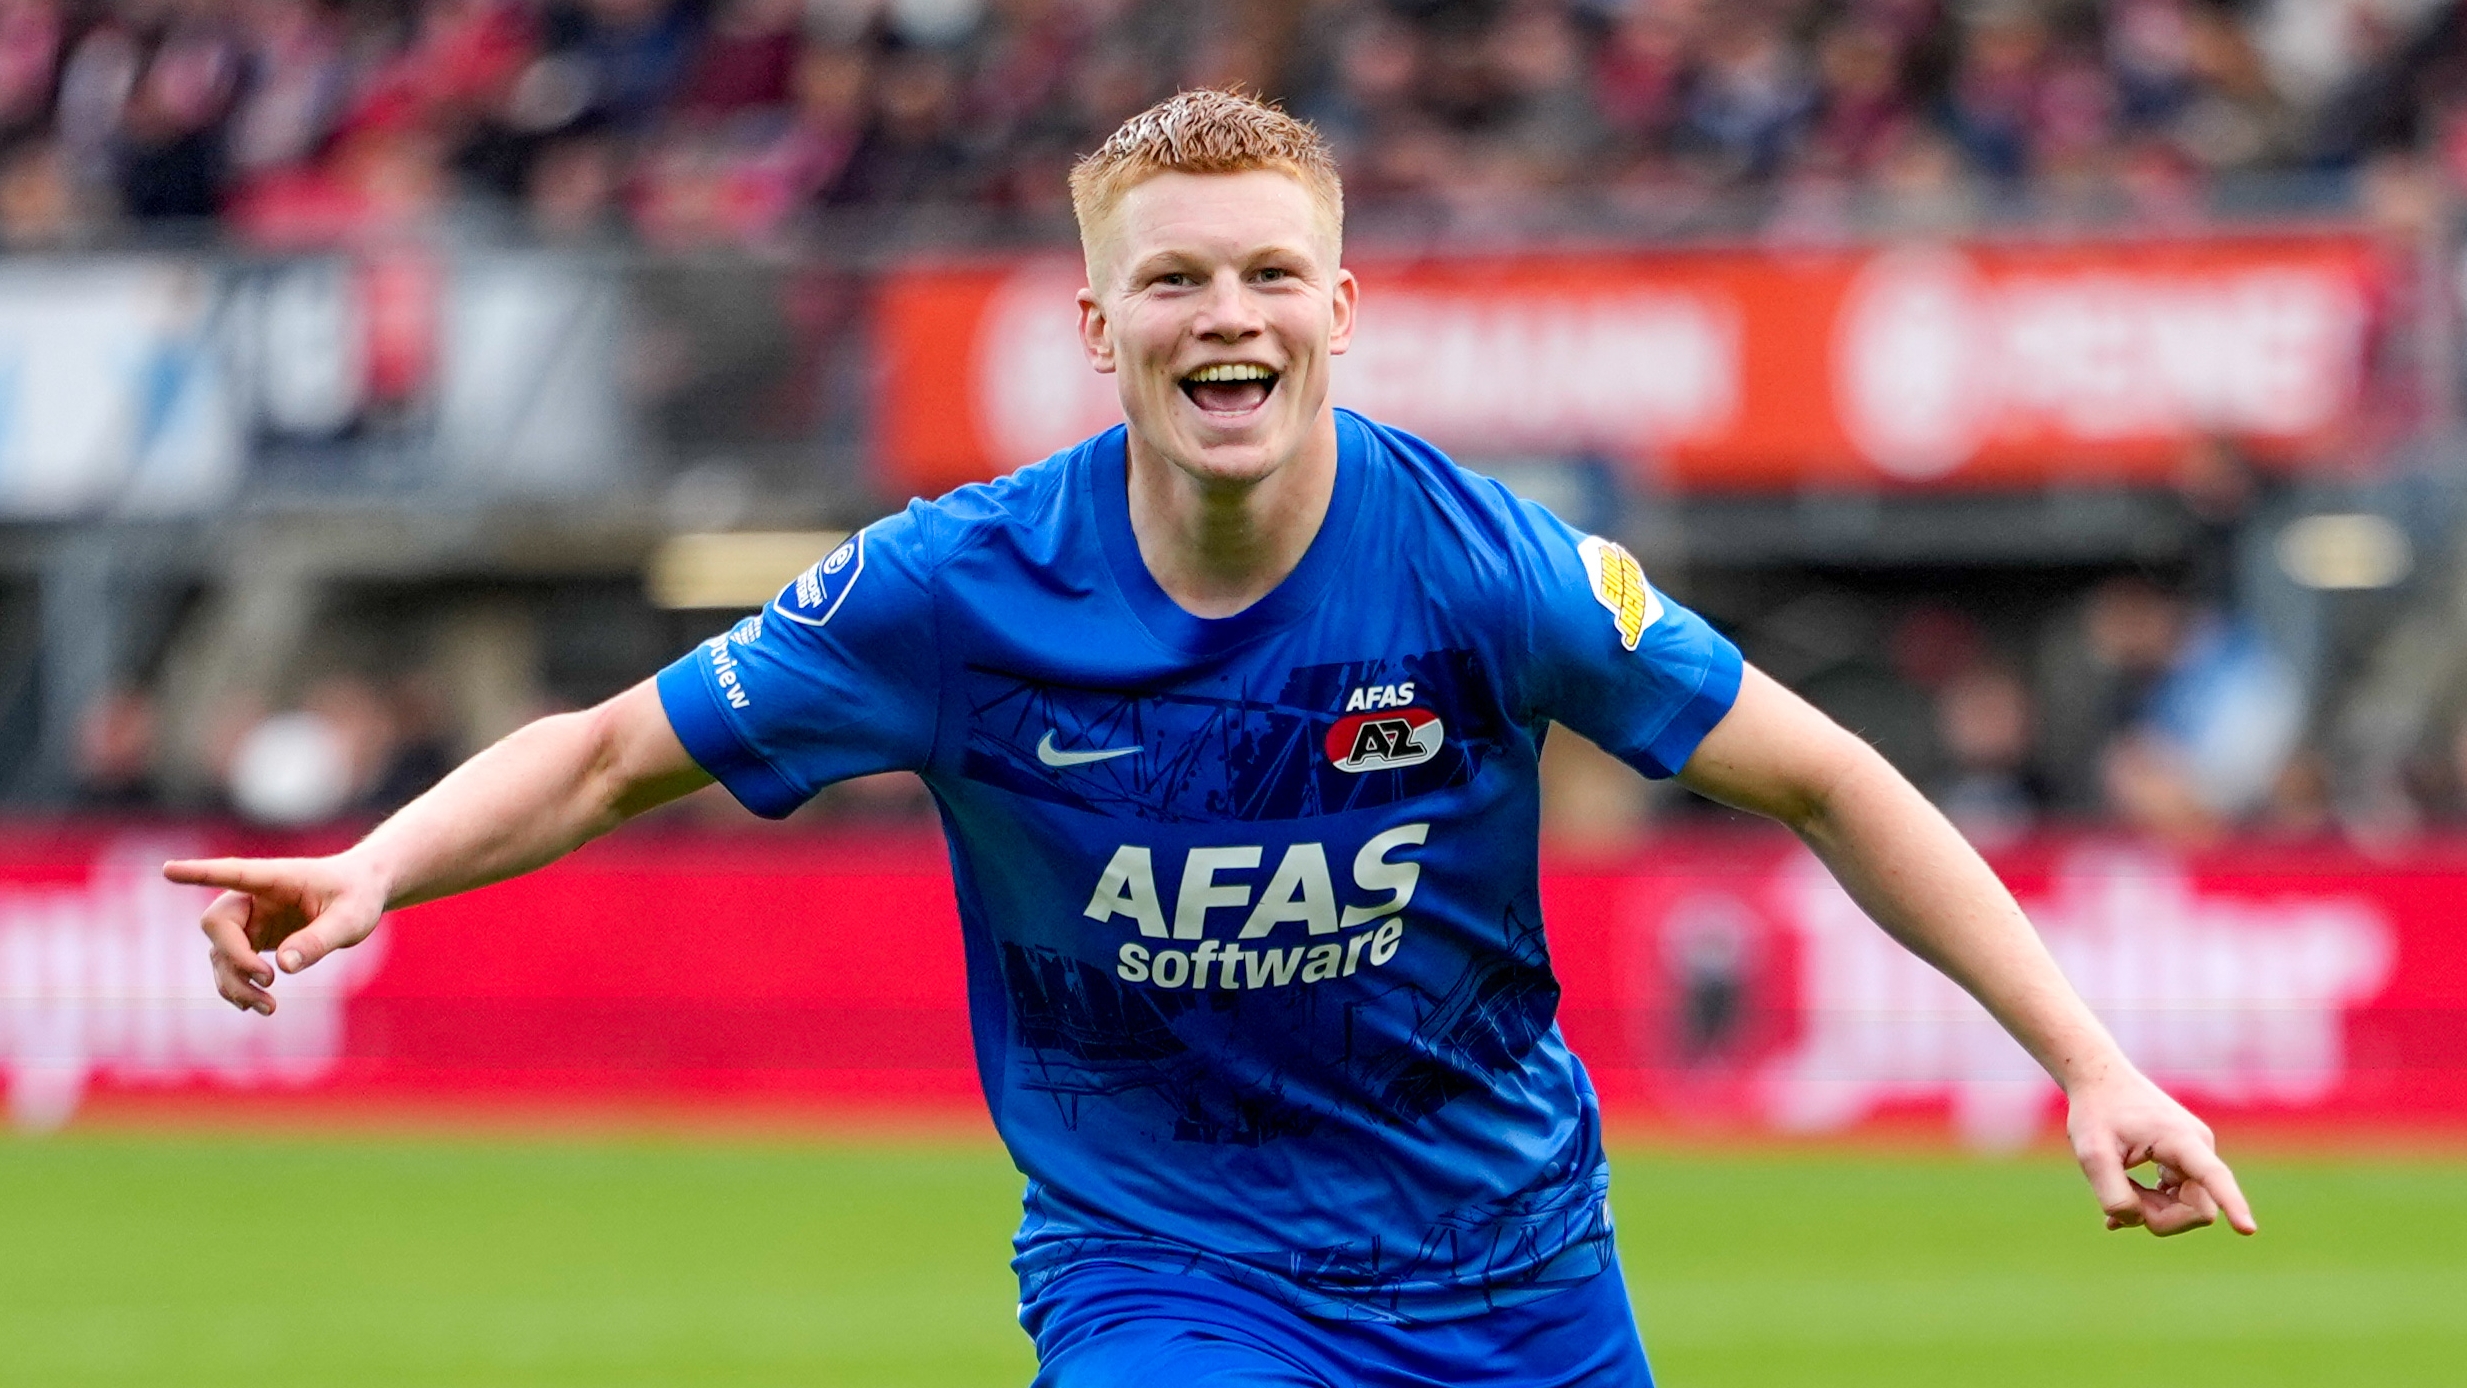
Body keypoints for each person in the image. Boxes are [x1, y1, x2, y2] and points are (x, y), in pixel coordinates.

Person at [166, 89, 2253, 1387]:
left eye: (1272, 271)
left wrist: (2085, 1061)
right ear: (1098, 330)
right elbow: (619, 748)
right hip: (1164, 1270)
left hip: (1508, 1259)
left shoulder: (1486, 570)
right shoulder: (951, 588)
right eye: (1174, 282)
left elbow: (1822, 772)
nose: (1226, 313)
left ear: (1342, 310)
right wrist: (374, 867)